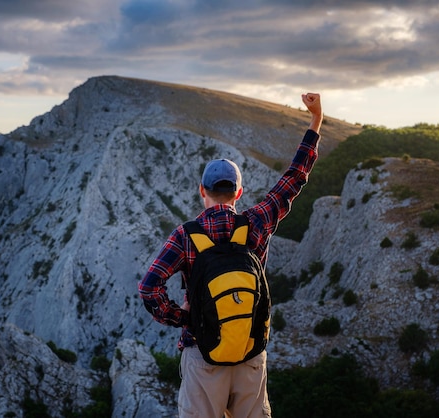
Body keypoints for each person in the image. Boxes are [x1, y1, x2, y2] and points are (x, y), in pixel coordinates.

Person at [138, 93, 323, 417]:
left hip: (203, 352)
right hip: (250, 350)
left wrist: (184, 317)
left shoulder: (185, 235)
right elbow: (294, 178)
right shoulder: (256, 221)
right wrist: (315, 121)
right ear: (238, 192)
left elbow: (149, 288)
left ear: (202, 191)